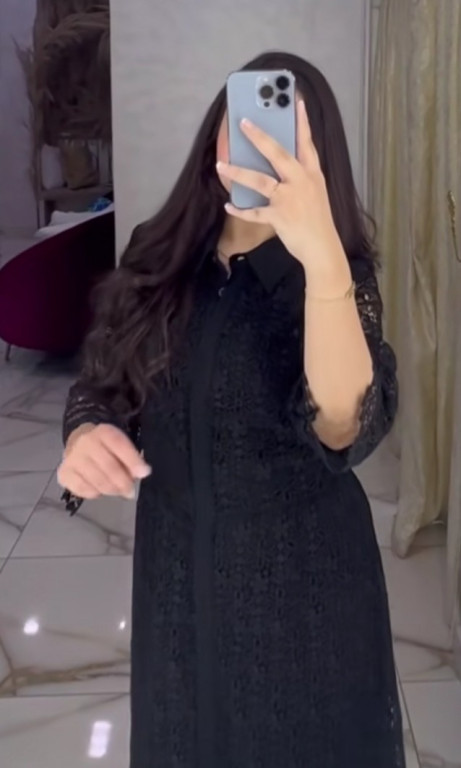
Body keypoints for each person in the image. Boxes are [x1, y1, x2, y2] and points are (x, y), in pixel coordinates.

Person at [58, 51, 405, 768]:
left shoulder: (336, 276)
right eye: (241, 120)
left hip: (301, 590)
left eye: (288, 132)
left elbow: (345, 424)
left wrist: (323, 264)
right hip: (176, 581)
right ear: (216, 132)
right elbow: (105, 379)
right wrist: (87, 428)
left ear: (320, 159)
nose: (259, 141)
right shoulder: (158, 253)